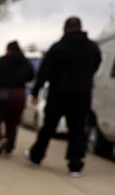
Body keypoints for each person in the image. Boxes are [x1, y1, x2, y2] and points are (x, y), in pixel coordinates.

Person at [24, 16, 102, 177]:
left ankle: (36, 156)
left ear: (65, 29)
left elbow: (44, 71)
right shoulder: (92, 48)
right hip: (82, 94)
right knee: (78, 129)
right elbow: (96, 64)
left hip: (58, 93)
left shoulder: (58, 48)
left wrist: (36, 91)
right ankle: (75, 165)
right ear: (81, 28)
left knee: (48, 127)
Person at [0, 40, 35, 157]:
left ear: (8, 50)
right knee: (12, 123)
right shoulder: (25, 63)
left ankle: (0, 139)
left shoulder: (1, 61)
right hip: (18, 94)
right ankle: (9, 149)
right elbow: (31, 76)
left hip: (1, 92)